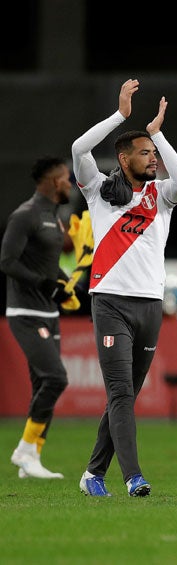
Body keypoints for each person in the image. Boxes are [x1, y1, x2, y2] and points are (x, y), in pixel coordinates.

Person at [71, 79, 177, 497]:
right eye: (145, 152)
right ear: (123, 159)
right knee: (120, 391)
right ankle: (133, 476)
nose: (153, 158)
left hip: (150, 306)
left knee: (125, 397)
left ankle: (92, 475)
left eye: (153, 153)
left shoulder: (162, 196)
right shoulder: (99, 191)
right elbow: (78, 150)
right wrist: (121, 116)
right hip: (111, 303)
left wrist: (158, 134)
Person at [2, 156, 76, 479]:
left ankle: (32, 459)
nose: (70, 184)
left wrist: (65, 286)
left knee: (41, 384)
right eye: (66, 179)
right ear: (51, 181)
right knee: (56, 378)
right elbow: (7, 261)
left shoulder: (54, 217)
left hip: (49, 312)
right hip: (25, 312)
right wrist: (45, 285)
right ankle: (24, 449)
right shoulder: (25, 215)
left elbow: (49, 267)